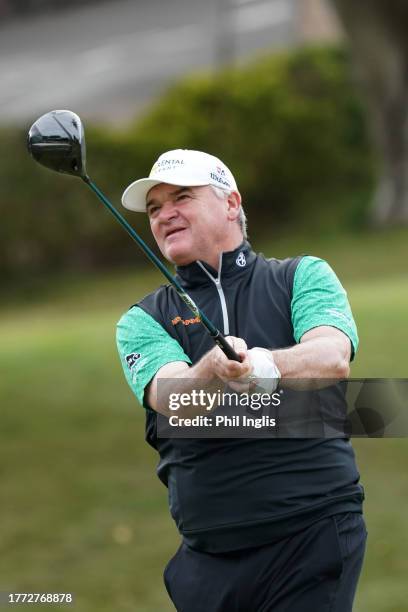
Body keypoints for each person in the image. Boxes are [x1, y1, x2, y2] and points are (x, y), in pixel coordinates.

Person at [116, 149, 367, 612]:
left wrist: (264, 366)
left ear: (231, 204)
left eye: (181, 197)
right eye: (154, 208)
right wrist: (211, 370)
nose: (164, 214)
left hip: (311, 532)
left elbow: (332, 356)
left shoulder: (301, 276)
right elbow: (170, 395)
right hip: (207, 556)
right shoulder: (143, 319)